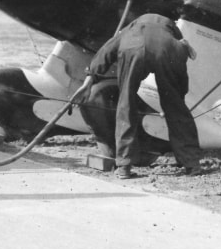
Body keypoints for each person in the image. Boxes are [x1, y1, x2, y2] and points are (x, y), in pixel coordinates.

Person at [86, 11, 206, 179]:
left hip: (133, 46)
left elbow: (106, 51)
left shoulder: (130, 29)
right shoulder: (172, 29)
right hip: (168, 48)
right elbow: (180, 63)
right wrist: (176, 98)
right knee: (176, 108)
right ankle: (191, 165)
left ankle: (124, 167)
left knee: (126, 104)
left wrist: (91, 75)